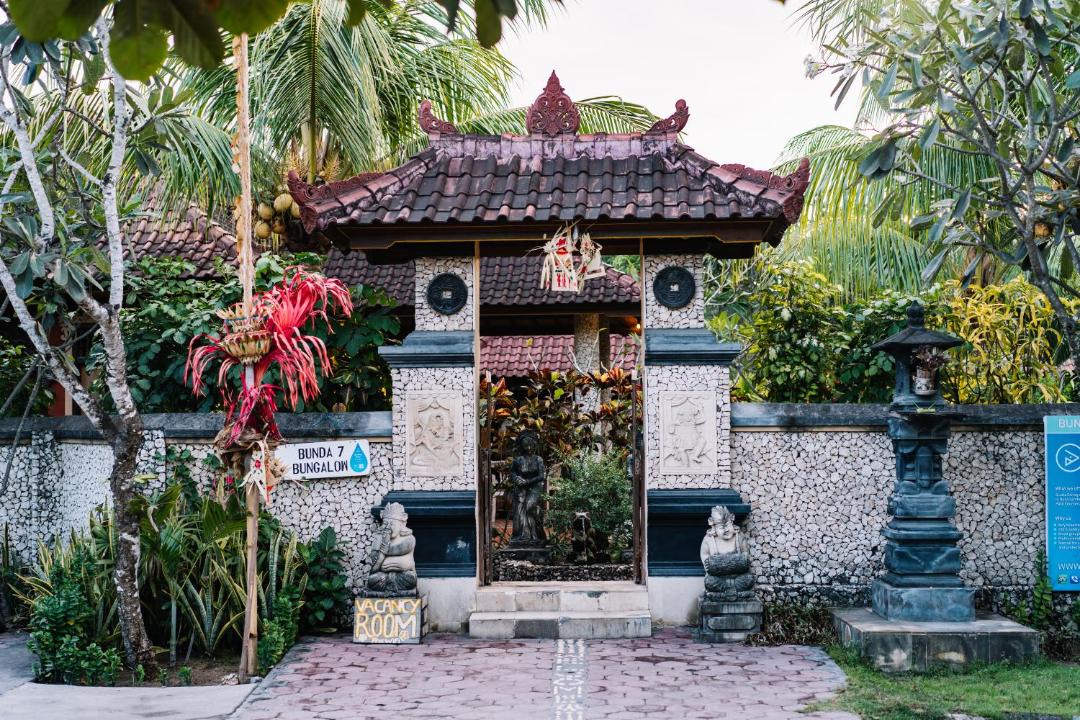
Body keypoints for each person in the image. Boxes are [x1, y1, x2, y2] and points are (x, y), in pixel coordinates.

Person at [366, 502, 418, 596]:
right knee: (372, 580)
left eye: (392, 524)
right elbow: (374, 569)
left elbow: (401, 550)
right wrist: (382, 552)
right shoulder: (378, 539)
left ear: (401, 524)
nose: (388, 527)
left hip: (403, 576)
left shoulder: (409, 539)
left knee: (411, 579)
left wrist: (385, 549)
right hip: (382, 577)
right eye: (385, 523)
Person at [509, 430, 546, 547]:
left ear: (535, 445)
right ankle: (522, 536)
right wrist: (517, 479)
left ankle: (536, 535)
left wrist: (528, 482)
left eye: (531, 445)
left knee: (530, 506)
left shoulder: (538, 459)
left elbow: (541, 476)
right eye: (526, 446)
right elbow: (513, 473)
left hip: (535, 486)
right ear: (522, 446)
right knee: (519, 509)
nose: (529, 448)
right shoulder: (518, 460)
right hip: (521, 487)